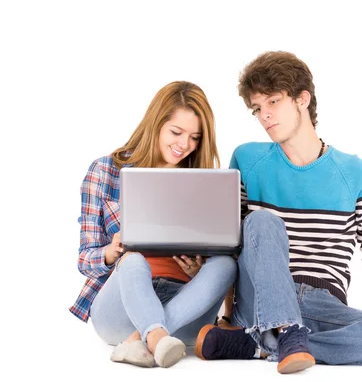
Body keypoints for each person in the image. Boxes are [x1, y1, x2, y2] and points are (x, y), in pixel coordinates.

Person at [194, 52, 362, 374]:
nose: (264, 116)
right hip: (259, 295)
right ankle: (279, 332)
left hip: (321, 304)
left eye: (273, 102)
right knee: (260, 221)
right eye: (258, 108)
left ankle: (262, 343)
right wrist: (229, 317)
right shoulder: (247, 160)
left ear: (302, 99)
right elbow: (230, 243)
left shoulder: (358, 175)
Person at [69, 81, 237, 368]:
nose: (184, 144)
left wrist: (199, 270)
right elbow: (85, 260)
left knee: (226, 265)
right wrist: (112, 252)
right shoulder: (105, 171)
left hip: (185, 310)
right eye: (176, 132)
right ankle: (155, 336)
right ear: (155, 124)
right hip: (121, 308)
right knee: (133, 260)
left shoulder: (205, 183)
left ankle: (143, 339)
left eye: (195, 137)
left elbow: (215, 265)